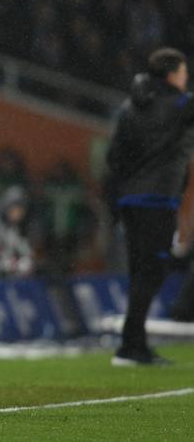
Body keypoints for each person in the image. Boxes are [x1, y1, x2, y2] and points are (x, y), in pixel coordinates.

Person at [105, 47, 194, 366]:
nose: (186, 79)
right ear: (172, 75)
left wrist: (131, 183)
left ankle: (134, 343)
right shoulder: (180, 105)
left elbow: (113, 157)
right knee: (153, 272)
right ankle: (131, 345)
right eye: (184, 72)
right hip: (158, 200)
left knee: (139, 271)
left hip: (131, 199)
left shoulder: (130, 106)